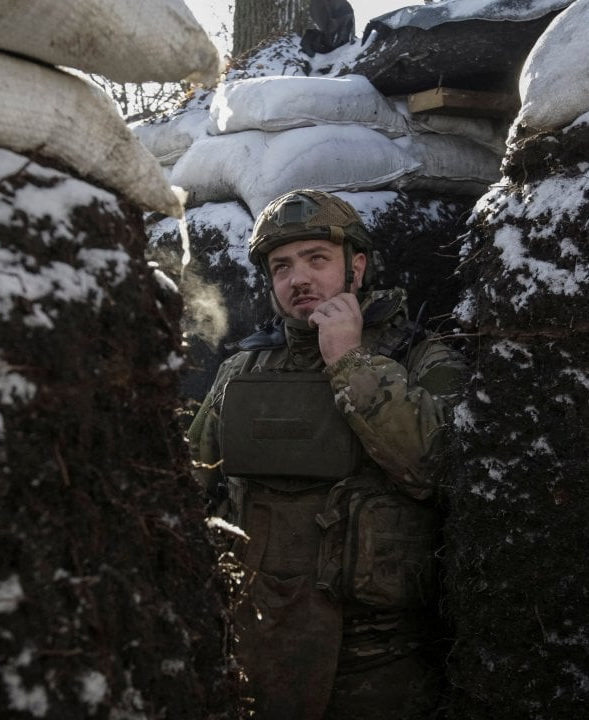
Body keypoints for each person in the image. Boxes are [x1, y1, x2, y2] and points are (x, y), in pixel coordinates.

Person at [186, 189, 466, 719]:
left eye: (317, 259)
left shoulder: (423, 358)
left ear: (355, 266)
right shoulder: (242, 371)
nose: (299, 279)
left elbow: (438, 469)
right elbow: (189, 487)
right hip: (258, 640)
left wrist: (349, 360)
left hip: (381, 658)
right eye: (281, 267)